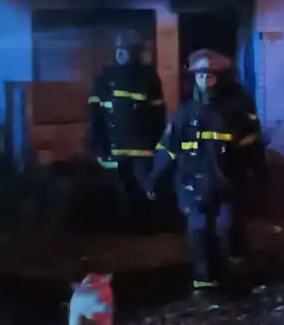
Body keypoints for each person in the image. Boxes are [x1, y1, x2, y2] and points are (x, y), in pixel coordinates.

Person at [146, 49, 266, 298]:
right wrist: (155, 177)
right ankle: (204, 284)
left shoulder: (236, 110)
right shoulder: (185, 112)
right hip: (193, 186)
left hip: (227, 185)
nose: (204, 81)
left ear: (220, 78)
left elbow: (253, 146)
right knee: (199, 234)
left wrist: (260, 175)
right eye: (200, 76)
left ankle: (234, 278)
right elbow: (168, 148)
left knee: (227, 230)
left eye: (210, 76)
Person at [87, 30, 166, 226]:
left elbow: (158, 116)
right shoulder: (105, 78)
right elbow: (96, 115)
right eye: (119, 49)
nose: (122, 53)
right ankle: (125, 226)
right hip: (115, 147)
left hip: (142, 149)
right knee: (121, 190)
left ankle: (146, 226)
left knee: (145, 189)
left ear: (137, 52)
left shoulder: (148, 77)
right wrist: (98, 145)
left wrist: (158, 145)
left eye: (127, 49)